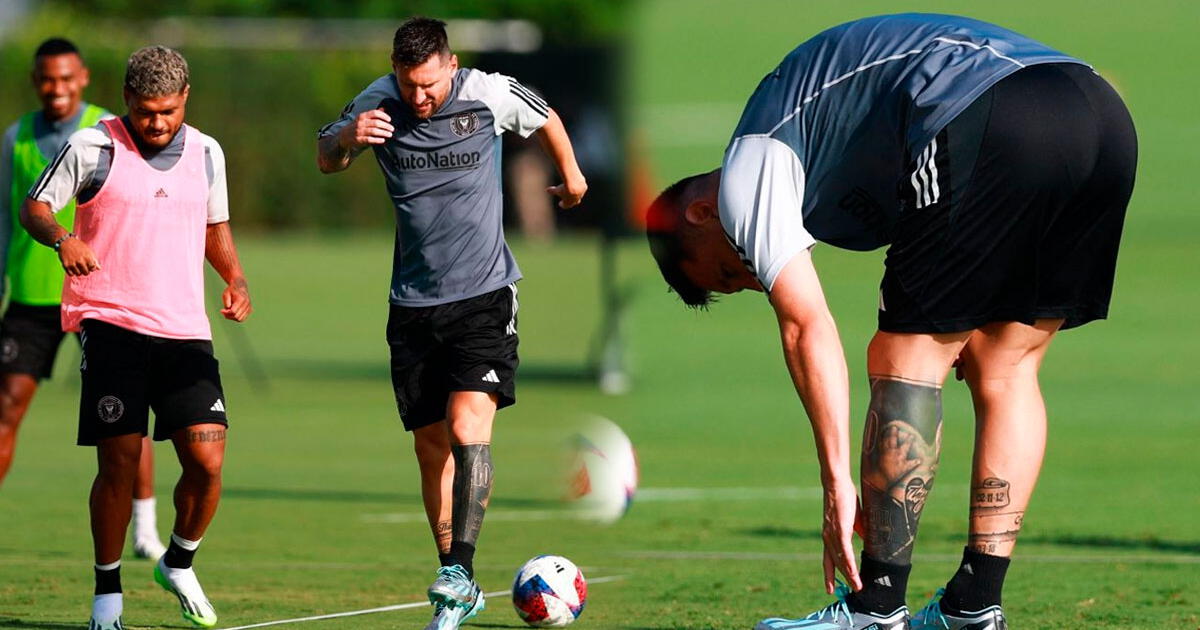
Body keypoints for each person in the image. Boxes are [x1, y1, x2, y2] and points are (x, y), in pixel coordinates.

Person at [645, 14, 1135, 630]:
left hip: (991, 108)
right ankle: (973, 603)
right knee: (1005, 367)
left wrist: (835, 485)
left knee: (904, 359)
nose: (751, 279)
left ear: (699, 213)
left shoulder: (748, 172)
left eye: (727, 272)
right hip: (1101, 117)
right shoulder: (824, 177)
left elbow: (805, 325)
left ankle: (875, 606)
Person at [316, 16, 586, 630]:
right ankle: (454, 574)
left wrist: (569, 177)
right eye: (409, 85)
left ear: (452, 63)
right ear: (394, 72)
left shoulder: (487, 92)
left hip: (484, 296)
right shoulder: (376, 102)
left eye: (430, 84)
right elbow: (325, 156)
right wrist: (351, 137)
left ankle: (460, 569)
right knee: (430, 444)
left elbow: (544, 117)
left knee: (469, 426)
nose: (420, 98)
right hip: (412, 305)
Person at [20, 45, 251, 629]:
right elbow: (35, 208)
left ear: (186, 100)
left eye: (168, 111)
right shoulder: (91, 146)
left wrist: (235, 277)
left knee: (208, 460)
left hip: (184, 332)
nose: (157, 122)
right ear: (127, 99)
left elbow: (214, 225)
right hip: (112, 325)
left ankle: (178, 559)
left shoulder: (206, 152)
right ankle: (106, 598)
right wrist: (61, 239)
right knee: (119, 466)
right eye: (147, 111)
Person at [0, 37, 168, 560]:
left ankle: (144, 527)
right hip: (33, 295)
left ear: (84, 77)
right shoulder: (15, 138)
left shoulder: (114, 128)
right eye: (48, 78)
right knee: (6, 406)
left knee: (126, 416)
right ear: (36, 81)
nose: (58, 88)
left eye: (66, 78)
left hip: (106, 296)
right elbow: (8, 217)